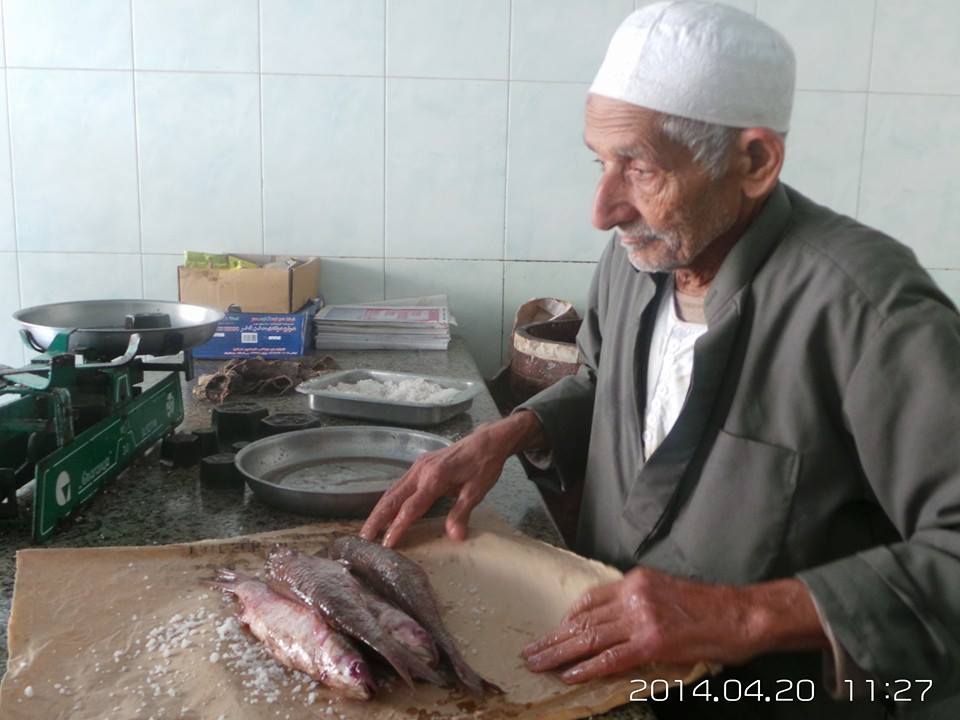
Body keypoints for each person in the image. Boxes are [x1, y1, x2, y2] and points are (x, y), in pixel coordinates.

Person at [361, 2, 960, 717]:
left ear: (755, 162)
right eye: (600, 162)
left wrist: (743, 615)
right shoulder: (638, 256)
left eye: (640, 168)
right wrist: (512, 433)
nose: (602, 209)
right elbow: (605, 383)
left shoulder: (871, 311)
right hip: (611, 685)